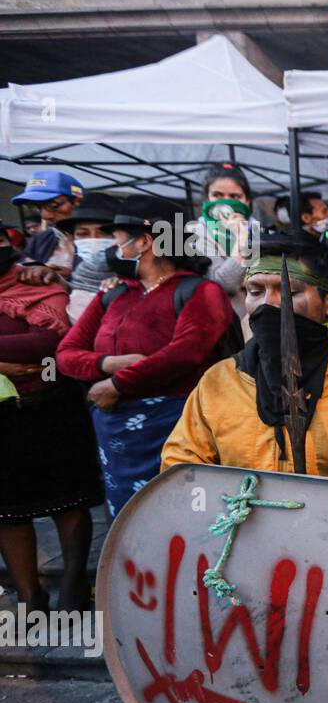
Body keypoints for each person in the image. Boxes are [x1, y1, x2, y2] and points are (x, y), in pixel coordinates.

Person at [161, 232, 328, 522]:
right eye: (256, 291)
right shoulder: (218, 383)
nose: (270, 304)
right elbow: (182, 471)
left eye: (289, 292)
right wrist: (225, 524)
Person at [55, 195, 234, 517]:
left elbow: (186, 353)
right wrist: (105, 365)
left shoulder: (201, 292)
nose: (113, 248)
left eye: (119, 240)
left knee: (182, 518)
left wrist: (117, 385)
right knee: (127, 521)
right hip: (116, 435)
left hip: (176, 427)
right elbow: (65, 354)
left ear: (145, 242)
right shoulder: (114, 293)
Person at [0, 229, 102, 612]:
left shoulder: (38, 281)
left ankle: (75, 588)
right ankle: (31, 598)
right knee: (8, 512)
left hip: (53, 406)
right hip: (4, 417)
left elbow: (46, 343)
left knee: (68, 502)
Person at [196, 162, 258, 320]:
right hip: (223, 325)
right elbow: (223, 284)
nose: (226, 203)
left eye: (235, 197)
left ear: (247, 201)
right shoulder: (197, 233)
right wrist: (242, 240)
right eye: (217, 195)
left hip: (258, 322)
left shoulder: (258, 232)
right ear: (207, 199)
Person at [57, 192, 120, 322]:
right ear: (73, 238)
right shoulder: (81, 272)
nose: (94, 240)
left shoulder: (142, 274)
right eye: (83, 234)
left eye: (105, 233)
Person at [12, 170, 82, 272]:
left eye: (53, 206)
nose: (45, 216)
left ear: (77, 202)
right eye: (38, 208)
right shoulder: (41, 239)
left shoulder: (101, 237)